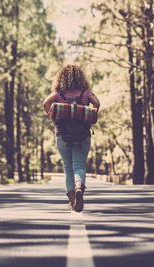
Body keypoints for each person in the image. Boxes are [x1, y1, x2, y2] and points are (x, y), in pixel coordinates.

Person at [43, 65, 100, 212]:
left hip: (62, 134)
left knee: (68, 168)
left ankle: (72, 200)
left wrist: (53, 118)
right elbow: (97, 103)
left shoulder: (58, 93)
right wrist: (88, 117)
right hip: (83, 134)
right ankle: (79, 187)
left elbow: (46, 103)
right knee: (79, 166)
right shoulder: (85, 92)